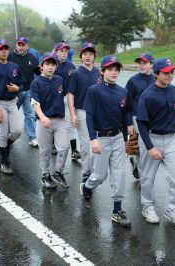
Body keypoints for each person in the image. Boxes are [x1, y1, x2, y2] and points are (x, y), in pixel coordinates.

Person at [80, 55, 131, 228]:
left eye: (116, 69)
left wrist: (124, 140)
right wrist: (93, 139)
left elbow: (124, 117)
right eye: (110, 69)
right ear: (102, 72)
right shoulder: (94, 90)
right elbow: (89, 115)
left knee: (119, 174)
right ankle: (87, 187)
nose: (114, 72)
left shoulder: (123, 92)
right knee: (100, 176)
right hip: (100, 137)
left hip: (117, 137)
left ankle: (117, 210)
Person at [136, 58, 175, 227]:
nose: (170, 75)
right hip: (152, 138)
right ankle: (147, 207)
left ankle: (171, 209)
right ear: (156, 74)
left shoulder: (174, 91)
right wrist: (150, 147)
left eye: (172, 72)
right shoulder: (147, 95)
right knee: (148, 176)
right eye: (166, 72)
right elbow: (141, 124)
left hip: (171, 138)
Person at [30, 52, 70, 189]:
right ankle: (45, 175)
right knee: (45, 150)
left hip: (59, 119)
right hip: (43, 120)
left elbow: (66, 94)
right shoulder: (36, 82)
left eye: (53, 64)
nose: (50, 67)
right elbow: (34, 102)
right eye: (47, 64)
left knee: (64, 147)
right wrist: (42, 117)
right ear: (41, 66)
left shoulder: (59, 80)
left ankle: (58, 172)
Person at [0, 39, 23, 175]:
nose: (4, 51)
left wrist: (17, 88)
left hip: (12, 102)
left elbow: (21, 83)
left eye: (6, 49)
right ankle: (4, 162)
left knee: (17, 131)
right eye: (1, 49)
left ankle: (5, 147)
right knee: (3, 132)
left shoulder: (14, 66)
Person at [67, 42, 100, 183]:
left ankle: (94, 171)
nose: (88, 56)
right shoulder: (76, 73)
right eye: (85, 54)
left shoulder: (99, 73)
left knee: (98, 144)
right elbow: (70, 94)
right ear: (81, 56)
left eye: (91, 54)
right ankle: (86, 173)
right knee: (87, 144)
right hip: (82, 112)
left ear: (94, 56)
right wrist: (72, 113)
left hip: (99, 113)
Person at [125, 53, 154, 180]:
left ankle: (135, 162)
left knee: (150, 146)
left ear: (151, 64)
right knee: (143, 148)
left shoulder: (156, 79)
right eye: (139, 63)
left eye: (145, 63)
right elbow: (126, 103)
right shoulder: (133, 81)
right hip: (137, 117)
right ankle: (144, 180)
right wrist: (129, 122)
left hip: (153, 118)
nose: (141, 65)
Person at [8, 37, 40, 147]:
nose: (21, 47)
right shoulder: (10, 57)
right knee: (11, 115)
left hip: (29, 91)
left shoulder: (31, 57)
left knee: (30, 114)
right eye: (19, 45)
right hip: (14, 92)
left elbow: (39, 71)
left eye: (23, 45)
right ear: (16, 45)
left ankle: (33, 137)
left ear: (27, 46)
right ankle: (9, 135)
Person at [54, 42, 80, 160]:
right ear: (56, 52)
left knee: (70, 124)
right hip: (55, 99)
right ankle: (52, 145)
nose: (64, 53)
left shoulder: (71, 66)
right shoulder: (52, 64)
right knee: (55, 122)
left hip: (68, 97)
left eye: (65, 51)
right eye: (61, 51)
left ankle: (74, 150)